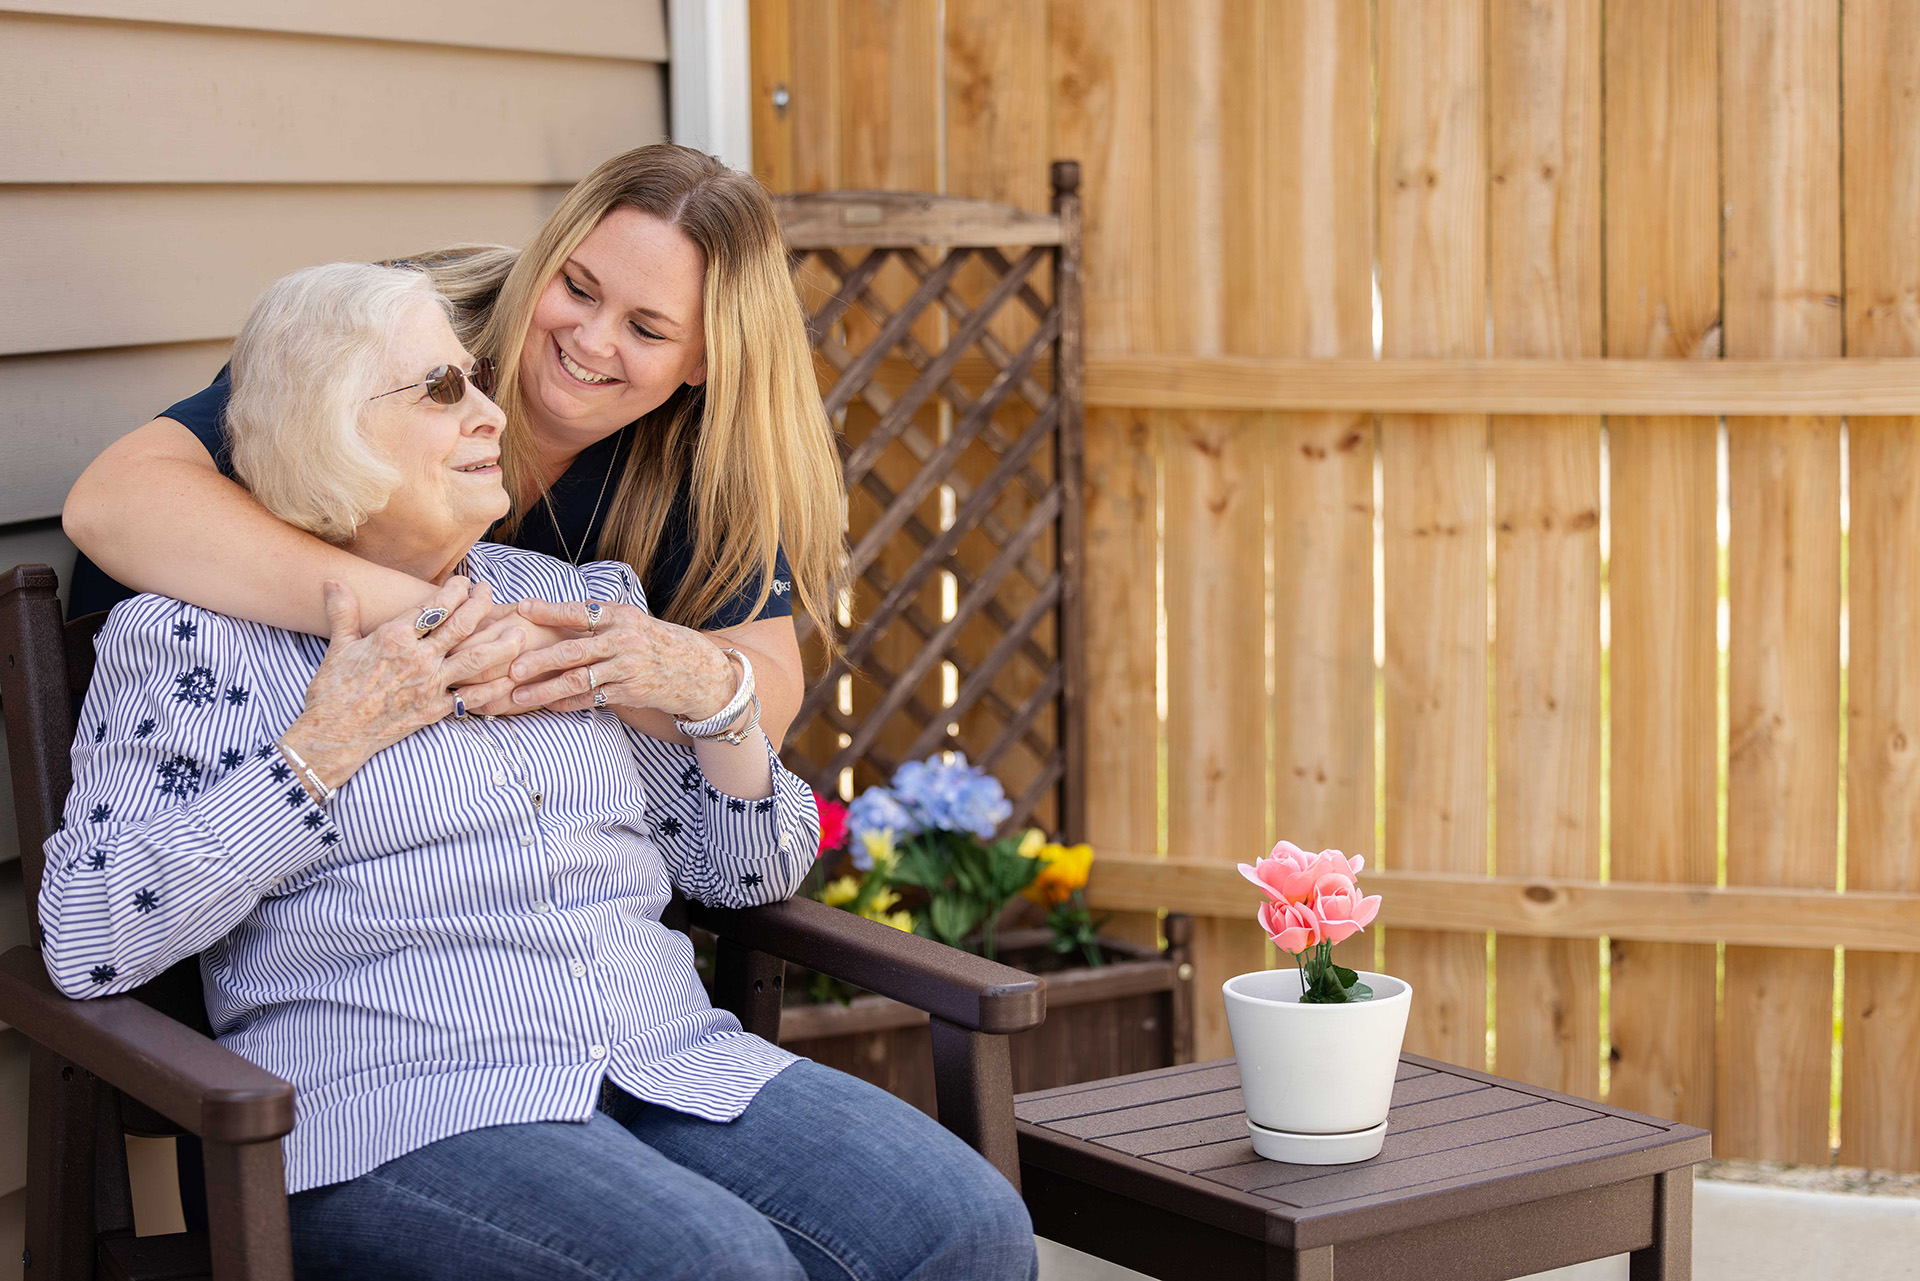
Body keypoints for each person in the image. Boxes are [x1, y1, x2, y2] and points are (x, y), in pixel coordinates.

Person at [42, 263, 1038, 1281]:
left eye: (476, 380)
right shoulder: (194, 640)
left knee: (970, 1227)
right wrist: (326, 745)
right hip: (400, 1107)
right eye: (441, 390)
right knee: (716, 1269)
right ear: (324, 422)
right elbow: (88, 936)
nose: (490, 413)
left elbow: (741, 875)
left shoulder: (566, 600)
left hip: (664, 1063)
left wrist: (716, 700)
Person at [61, 143, 841, 749]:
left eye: (645, 329)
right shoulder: (404, 322)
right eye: (576, 287)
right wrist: (454, 624)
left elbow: (764, 693)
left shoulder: (705, 460)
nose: (592, 340)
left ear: (704, 360)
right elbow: (114, 502)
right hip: (244, 739)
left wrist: (644, 667)